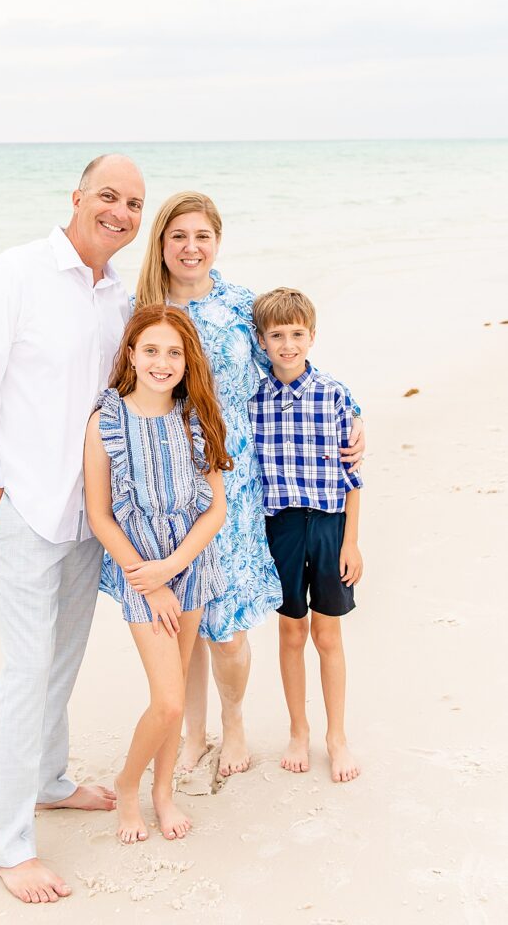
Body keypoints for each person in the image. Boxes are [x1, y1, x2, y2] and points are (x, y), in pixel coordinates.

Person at [0, 154, 145, 904]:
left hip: (87, 513)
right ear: (76, 196)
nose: (119, 212)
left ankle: (51, 779)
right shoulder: (14, 275)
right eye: (107, 195)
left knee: (63, 659)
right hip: (24, 508)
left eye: (132, 203)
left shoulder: (116, 297)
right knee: (26, 671)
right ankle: (10, 845)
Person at [133, 193, 366, 777]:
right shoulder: (142, 307)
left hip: (236, 487)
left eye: (201, 235)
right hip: (166, 485)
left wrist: (353, 415)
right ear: (161, 242)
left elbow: (292, 369)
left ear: (217, 240)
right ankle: (192, 734)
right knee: (177, 618)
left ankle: (233, 726)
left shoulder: (242, 307)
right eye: (178, 235)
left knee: (226, 624)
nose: (190, 247)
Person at [84, 305, 232, 843]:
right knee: (169, 699)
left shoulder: (196, 417)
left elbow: (215, 509)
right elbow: (100, 515)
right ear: (131, 354)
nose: (161, 362)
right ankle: (128, 785)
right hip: (142, 573)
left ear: (186, 359)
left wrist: (177, 566)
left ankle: (162, 793)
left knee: (175, 694)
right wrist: (153, 576)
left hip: (189, 567)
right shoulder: (107, 421)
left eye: (173, 352)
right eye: (150, 350)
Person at [249, 287, 363, 782]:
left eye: (297, 334)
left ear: (312, 337)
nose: (288, 344)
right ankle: (299, 729)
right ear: (262, 341)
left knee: (327, 633)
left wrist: (351, 540)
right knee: (291, 630)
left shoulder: (334, 395)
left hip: (329, 524)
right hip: (282, 527)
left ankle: (336, 736)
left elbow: (353, 475)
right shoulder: (251, 402)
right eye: (277, 335)